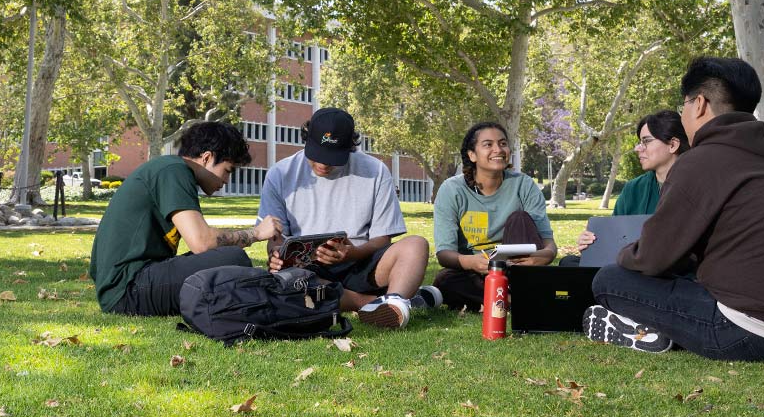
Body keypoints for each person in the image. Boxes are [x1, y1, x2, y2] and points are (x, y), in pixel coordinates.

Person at [583, 56, 764, 360]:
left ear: (699, 104)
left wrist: (620, 253)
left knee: (610, 280)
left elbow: (651, 259)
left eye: (683, 105)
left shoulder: (700, 161)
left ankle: (650, 330)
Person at [258, 107, 438, 329]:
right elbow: (275, 238)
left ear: (350, 147)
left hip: (362, 263)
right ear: (306, 140)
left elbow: (383, 238)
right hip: (308, 270)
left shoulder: (376, 170)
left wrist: (353, 253)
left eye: (332, 158)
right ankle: (389, 303)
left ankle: (392, 301)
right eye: (317, 155)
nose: (323, 165)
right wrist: (276, 255)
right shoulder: (280, 174)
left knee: (416, 245)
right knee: (291, 280)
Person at [90, 121, 282, 317]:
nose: (226, 181)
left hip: (131, 282)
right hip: (128, 289)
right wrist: (256, 233)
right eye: (227, 170)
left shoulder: (170, 169)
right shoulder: (173, 170)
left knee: (230, 263)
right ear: (207, 157)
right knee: (234, 259)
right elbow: (202, 242)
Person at [432, 121, 557, 311]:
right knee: (445, 280)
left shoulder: (523, 185)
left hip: (517, 268)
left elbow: (548, 243)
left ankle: (495, 299)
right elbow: (444, 254)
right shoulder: (452, 189)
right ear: (472, 155)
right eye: (488, 144)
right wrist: (470, 262)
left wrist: (544, 256)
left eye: (503, 143)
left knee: (520, 218)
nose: (498, 149)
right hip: (477, 271)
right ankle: (513, 299)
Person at [571, 110, 687, 260]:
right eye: (640, 142)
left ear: (672, 144)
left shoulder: (696, 185)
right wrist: (592, 242)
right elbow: (616, 237)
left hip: (674, 267)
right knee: (569, 262)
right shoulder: (633, 188)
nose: (638, 148)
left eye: (646, 141)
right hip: (631, 264)